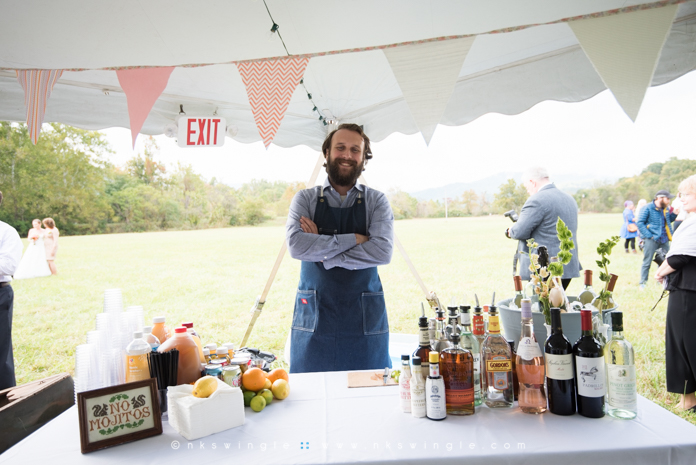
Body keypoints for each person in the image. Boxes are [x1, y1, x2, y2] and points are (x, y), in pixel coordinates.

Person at [286, 123, 394, 373]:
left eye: (355, 150)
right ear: (326, 153)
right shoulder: (305, 199)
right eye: (340, 147)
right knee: (309, 395)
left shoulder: (376, 201)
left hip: (363, 315)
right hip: (315, 314)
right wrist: (355, 238)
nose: (347, 155)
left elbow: (381, 252)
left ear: (363, 158)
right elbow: (297, 246)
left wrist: (323, 252)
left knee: (370, 390)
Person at [655, 175, 696, 412]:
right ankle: (687, 398)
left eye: (686, 194)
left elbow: (682, 256)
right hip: (687, 286)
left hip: (688, 289)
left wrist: (660, 272)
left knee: (683, 342)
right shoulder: (689, 219)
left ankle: (688, 399)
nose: (680, 198)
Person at [505, 166, 581, 289]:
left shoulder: (536, 200)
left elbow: (519, 231)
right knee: (556, 305)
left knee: (542, 306)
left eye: (526, 187)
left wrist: (510, 231)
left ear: (532, 182)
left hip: (546, 266)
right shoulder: (569, 198)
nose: (528, 191)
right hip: (567, 265)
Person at [0, 191, 24, 389]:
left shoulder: (6, 232)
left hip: (0, 294)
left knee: (1, 354)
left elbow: (8, 266)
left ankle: (5, 405)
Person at [637, 190, 677, 290]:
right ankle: (643, 283)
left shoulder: (665, 209)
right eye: (667, 198)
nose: (669, 201)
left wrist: (674, 214)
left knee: (665, 262)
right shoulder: (647, 208)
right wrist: (649, 235)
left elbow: (667, 221)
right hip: (651, 239)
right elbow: (640, 223)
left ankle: (663, 282)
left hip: (664, 239)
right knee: (647, 261)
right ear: (660, 198)